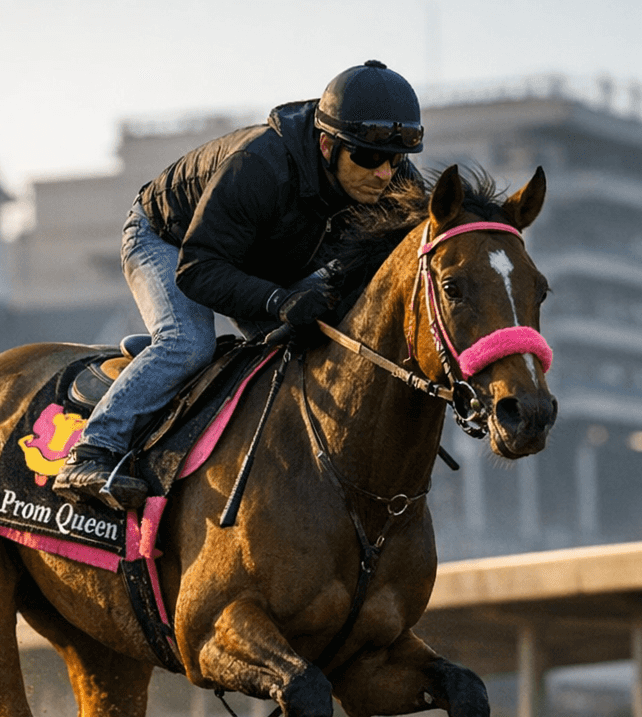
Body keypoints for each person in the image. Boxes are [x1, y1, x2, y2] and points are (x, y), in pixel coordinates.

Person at [53, 60, 427, 509]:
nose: (384, 173)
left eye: (394, 159)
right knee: (188, 343)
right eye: (367, 157)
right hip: (171, 242)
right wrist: (278, 300)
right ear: (327, 145)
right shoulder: (259, 165)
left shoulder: (394, 180)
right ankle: (93, 451)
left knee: (322, 343)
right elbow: (197, 270)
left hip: (265, 256)